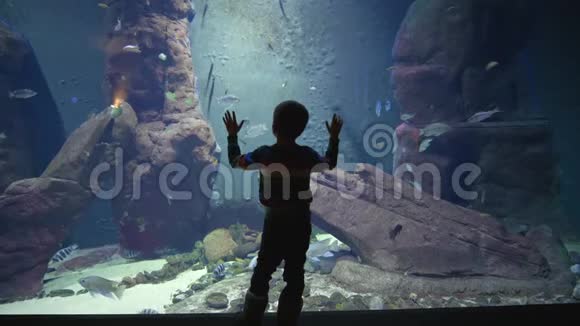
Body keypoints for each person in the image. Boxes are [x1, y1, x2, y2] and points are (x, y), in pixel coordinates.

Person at [223, 100, 343, 326]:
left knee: (263, 271)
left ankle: (251, 319)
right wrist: (333, 138)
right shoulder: (307, 155)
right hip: (300, 223)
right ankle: (287, 322)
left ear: (274, 126)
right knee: (295, 274)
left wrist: (232, 136)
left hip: (274, 223)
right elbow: (330, 163)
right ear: (301, 129)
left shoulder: (264, 154)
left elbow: (235, 161)